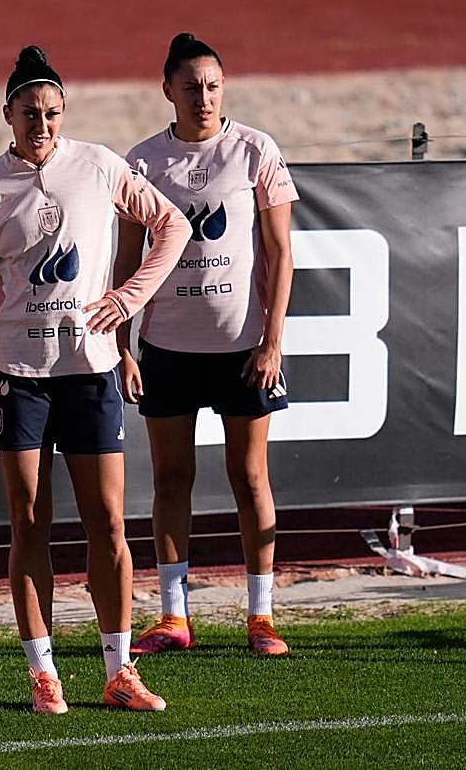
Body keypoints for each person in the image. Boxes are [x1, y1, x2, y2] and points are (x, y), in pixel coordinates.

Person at [0, 46, 190, 714]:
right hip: (17, 379)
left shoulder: (100, 164)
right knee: (29, 523)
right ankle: (43, 674)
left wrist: (129, 296)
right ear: (8, 114)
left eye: (53, 111)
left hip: (90, 374)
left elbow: (172, 225)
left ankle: (119, 671)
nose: (43, 123)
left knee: (107, 522)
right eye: (30, 112)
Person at [116, 32, 299, 657]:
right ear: (167, 90)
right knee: (171, 477)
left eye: (213, 85)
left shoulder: (254, 151)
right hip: (166, 345)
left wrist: (272, 341)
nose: (203, 97)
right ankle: (173, 616)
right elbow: (125, 263)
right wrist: (123, 347)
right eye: (190, 86)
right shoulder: (141, 162)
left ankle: (261, 616)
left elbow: (279, 254)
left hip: (245, 347)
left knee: (249, 476)